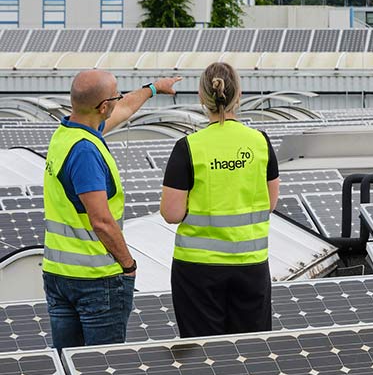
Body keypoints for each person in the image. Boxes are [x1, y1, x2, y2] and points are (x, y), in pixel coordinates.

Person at [43, 71, 182, 349]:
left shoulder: (68, 133)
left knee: (70, 366)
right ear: (103, 107)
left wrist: (153, 89)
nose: (120, 100)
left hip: (59, 274)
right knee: (101, 370)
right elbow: (102, 221)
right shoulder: (85, 152)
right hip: (94, 280)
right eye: (116, 96)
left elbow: (126, 107)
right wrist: (128, 265)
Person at [160, 62, 279, 338]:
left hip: (197, 271)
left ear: (202, 98)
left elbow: (171, 213)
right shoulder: (260, 142)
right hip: (251, 266)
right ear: (239, 95)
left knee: (204, 358)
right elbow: (270, 203)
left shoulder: (188, 147)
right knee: (251, 353)